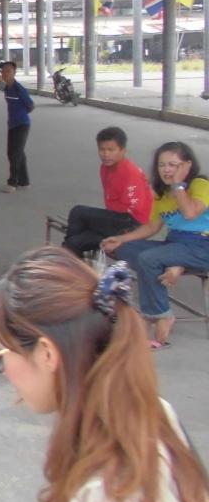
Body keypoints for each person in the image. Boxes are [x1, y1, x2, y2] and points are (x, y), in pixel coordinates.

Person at [0, 250, 208, 502]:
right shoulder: (148, 417)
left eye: (2, 354)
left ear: (47, 353)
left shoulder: (112, 501)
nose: (6, 374)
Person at [102, 141, 209, 347]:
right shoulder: (162, 193)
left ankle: (160, 314)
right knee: (125, 249)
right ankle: (175, 264)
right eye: (162, 165)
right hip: (176, 244)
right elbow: (152, 227)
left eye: (173, 165)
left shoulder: (201, 185)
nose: (166, 170)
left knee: (148, 259)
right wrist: (121, 239)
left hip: (202, 245)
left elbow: (190, 213)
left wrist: (178, 185)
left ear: (187, 165)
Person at [61, 126, 152, 258]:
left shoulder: (130, 172)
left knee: (78, 212)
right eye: (102, 149)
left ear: (123, 150)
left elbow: (136, 209)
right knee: (74, 242)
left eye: (111, 150)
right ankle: (69, 259)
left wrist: (101, 221)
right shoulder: (105, 168)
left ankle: (64, 257)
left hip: (132, 223)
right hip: (115, 219)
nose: (106, 154)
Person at [0, 60, 34, 192]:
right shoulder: (7, 88)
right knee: (17, 153)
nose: (5, 74)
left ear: (14, 73)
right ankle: (24, 182)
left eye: (8, 71)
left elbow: (31, 106)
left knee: (14, 154)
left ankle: (13, 182)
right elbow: (0, 85)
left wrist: (21, 114)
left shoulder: (19, 89)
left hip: (22, 124)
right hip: (12, 125)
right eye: (4, 71)